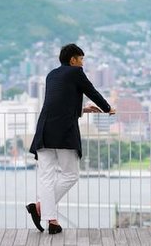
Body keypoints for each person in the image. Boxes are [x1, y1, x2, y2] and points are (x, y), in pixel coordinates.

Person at [26, 43, 116, 234]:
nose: (82, 63)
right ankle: (41, 207)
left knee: (46, 177)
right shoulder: (76, 72)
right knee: (70, 175)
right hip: (63, 132)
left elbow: (57, 103)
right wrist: (108, 108)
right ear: (73, 59)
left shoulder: (51, 75)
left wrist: (82, 109)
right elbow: (91, 91)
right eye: (81, 59)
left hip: (44, 130)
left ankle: (51, 219)